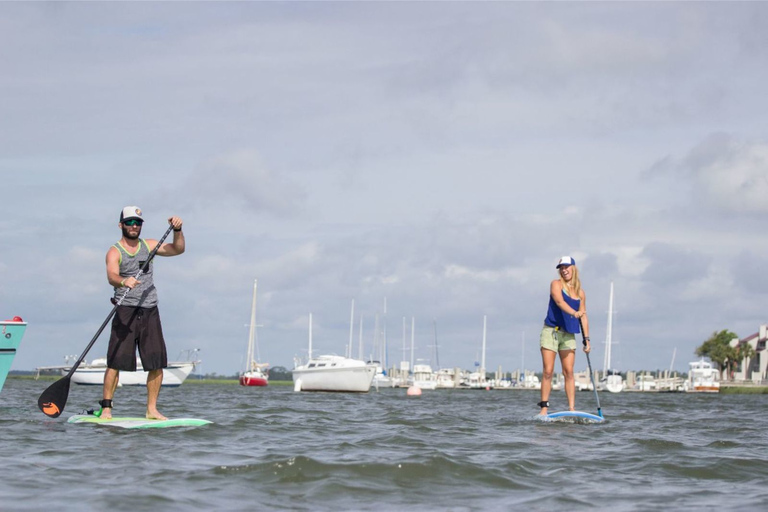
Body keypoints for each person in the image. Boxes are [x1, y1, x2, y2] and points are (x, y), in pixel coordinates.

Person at [99, 206, 185, 420]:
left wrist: (178, 230)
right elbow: (111, 275)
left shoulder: (149, 245)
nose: (133, 226)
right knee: (115, 362)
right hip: (125, 310)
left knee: (156, 363)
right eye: (129, 222)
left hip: (150, 310)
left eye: (137, 223)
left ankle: (151, 409)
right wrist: (123, 280)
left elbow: (178, 249)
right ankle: (107, 408)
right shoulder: (114, 251)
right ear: (121, 225)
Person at [538, 256, 590, 415]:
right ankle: (544, 408)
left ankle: (572, 409)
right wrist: (574, 313)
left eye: (567, 267)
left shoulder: (580, 292)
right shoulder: (556, 284)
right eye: (561, 267)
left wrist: (587, 339)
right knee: (548, 370)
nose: (564, 270)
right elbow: (560, 302)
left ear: (573, 268)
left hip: (568, 334)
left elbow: (583, 316)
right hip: (551, 331)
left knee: (568, 371)